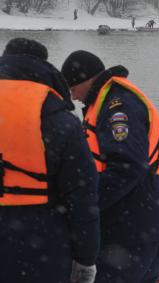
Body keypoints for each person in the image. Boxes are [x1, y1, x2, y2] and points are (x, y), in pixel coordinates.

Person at [61, 50, 159, 283]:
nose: (73, 97)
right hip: (140, 218)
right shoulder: (109, 100)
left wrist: (88, 205)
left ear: (87, 79)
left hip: (131, 224)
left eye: (73, 89)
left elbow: (127, 165)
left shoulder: (117, 105)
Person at [0, 38, 100, 283]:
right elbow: (82, 198)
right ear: (43, 68)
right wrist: (86, 259)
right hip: (40, 248)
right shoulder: (60, 120)